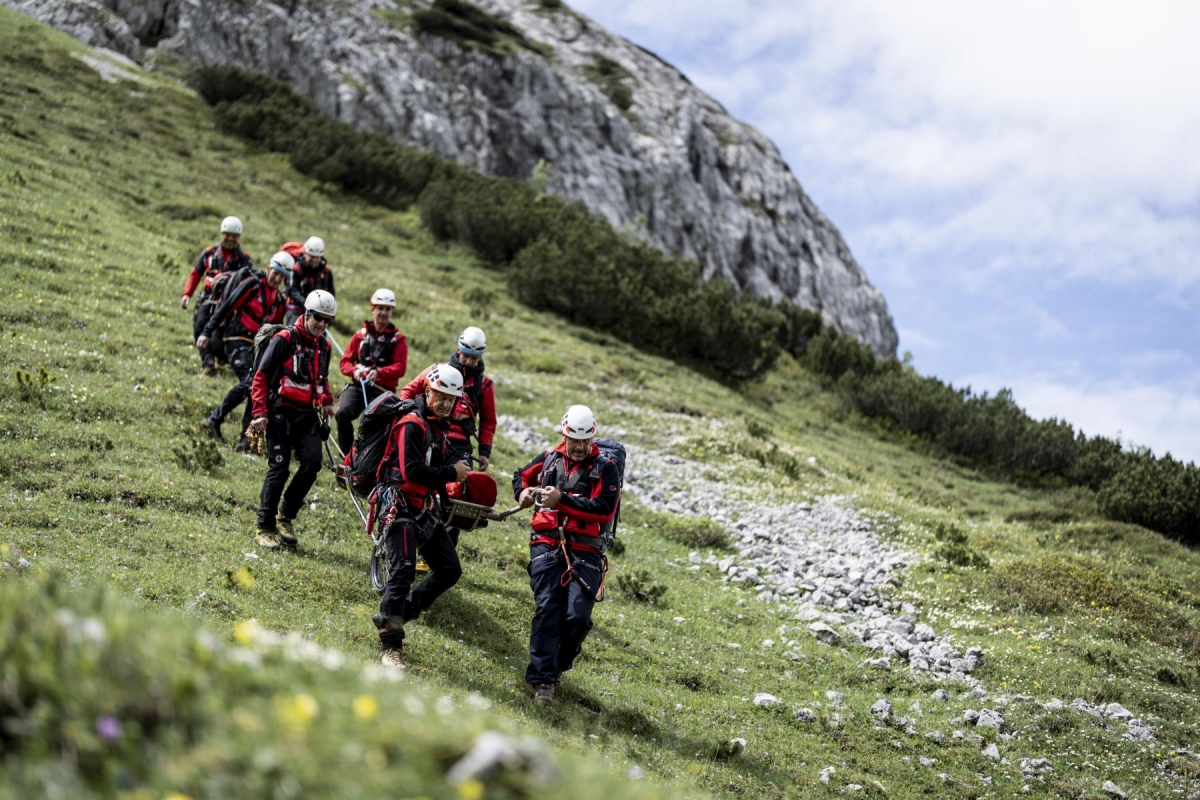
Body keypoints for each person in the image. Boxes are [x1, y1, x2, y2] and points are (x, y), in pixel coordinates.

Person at [512, 405, 620, 705]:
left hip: (586, 550)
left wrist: (561, 501)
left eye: (585, 441)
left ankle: (557, 666)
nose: (580, 447)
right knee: (548, 608)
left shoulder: (606, 468)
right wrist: (522, 492)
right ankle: (543, 681)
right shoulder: (549, 458)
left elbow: (604, 510)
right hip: (546, 544)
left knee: (577, 617)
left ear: (592, 438)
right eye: (575, 440)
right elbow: (520, 475)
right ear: (565, 435)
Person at [372, 364, 471, 668]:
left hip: (423, 507)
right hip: (399, 505)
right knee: (403, 571)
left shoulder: (438, 425)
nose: (445, 404)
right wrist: (451, 472)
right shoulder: (412, 424)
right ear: (427, 391)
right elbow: (411, 470)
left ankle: (399, 613)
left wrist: (459, 464)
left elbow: (440, 458)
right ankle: (391, 647)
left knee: (450, 569)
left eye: (451, 399)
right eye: (440, 396)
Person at [247, 290, 337, 551]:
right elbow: (261, 377)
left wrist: (327, 400)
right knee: (279, 468)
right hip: (279, 412)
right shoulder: (284, 339)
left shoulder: (325, 346)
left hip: (307, 415)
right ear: (307, 314)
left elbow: (321, 378)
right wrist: (260, 413)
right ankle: (264, 527)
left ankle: (285, 516)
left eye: (327, 320)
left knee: (313, 462)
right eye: (317, 317)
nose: (321, 324)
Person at [197, 252, 292, 450]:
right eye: (275, 273)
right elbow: (227, 306)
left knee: (256, 385)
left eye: (281, 276)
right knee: (251, 383)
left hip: (256, 348)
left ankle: (245, 438)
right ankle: (214, 420)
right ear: (268, 268)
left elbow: (276, 330)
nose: (277, 279)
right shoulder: (252, 285)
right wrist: (206, 332)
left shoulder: (279, 300)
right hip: (235, 338)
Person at [399, 326, 495, 471]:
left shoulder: (485, 385)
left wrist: (484, 452)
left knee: (461, 479)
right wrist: (407, 418)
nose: (469, 362)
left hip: (460, 442)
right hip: (429, 431)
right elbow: (408, 391)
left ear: (480, 357)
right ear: (458, 350)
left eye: (474, 358)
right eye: (466, 356)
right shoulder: (436, 370)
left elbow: (488, 422)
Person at [334, 288, 408, 455]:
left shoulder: (398, 340)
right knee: (343, 413)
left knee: (373, 422)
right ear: (372, 309)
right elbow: (345, 362)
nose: (383, 313)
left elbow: (400, 367)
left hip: (382, 391)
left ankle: (367, 458)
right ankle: (347, 455)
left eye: (387, 309)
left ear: (392, 312)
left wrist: (379, 373)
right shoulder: (360, 336)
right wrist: (354, 371)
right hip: (358, 387)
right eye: (380, 308)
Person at [180, 216, 253, 376]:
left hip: (229, 302)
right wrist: (187, 294)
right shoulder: (209, 253)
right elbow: (196, 274)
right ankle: (208, 366)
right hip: (207, 298)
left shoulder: (244, 259)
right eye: (228, 235)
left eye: (234, 236)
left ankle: (222, 360)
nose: (230, 239)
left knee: (222, 333)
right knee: (199, 327)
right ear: (221, 234)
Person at [284, 236, 335, 325]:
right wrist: (307, 304)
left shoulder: (326, 272)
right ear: (305, 253)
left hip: (318, 311)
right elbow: (292, 290)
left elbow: (331, 292)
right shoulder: (296, 268)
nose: (314, 260)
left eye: (317, 257)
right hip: (297, 308)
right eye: (312, 256)